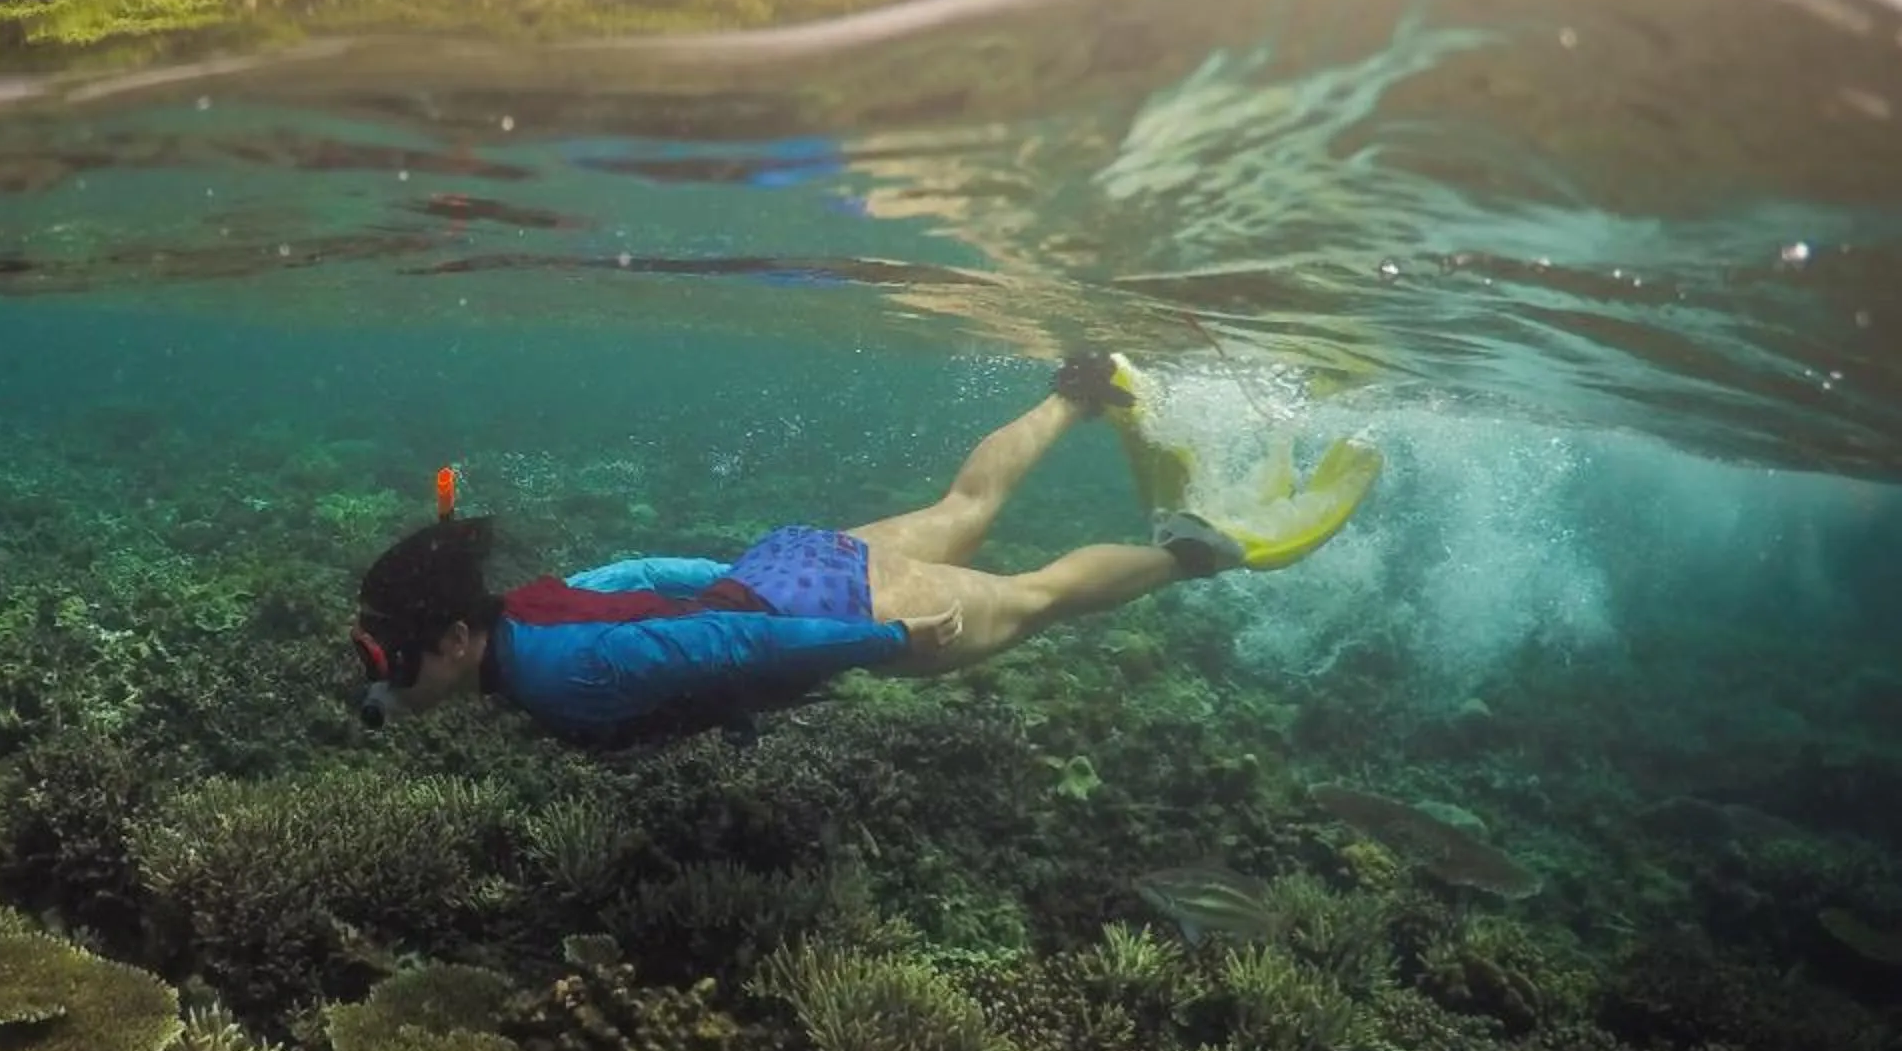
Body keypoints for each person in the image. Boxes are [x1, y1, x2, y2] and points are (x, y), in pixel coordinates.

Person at [349, 353, 1380, 747]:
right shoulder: (532, 604)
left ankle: (1208, 550)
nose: (380, 688)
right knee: (964, 502)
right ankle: (1079, 389)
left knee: (1035, 598)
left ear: (450, 638)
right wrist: (752, 581)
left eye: (389, 667)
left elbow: (729, 654)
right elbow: (652, 578)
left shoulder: (562, 678)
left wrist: (884, 641)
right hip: (784, 567)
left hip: (825, 617)